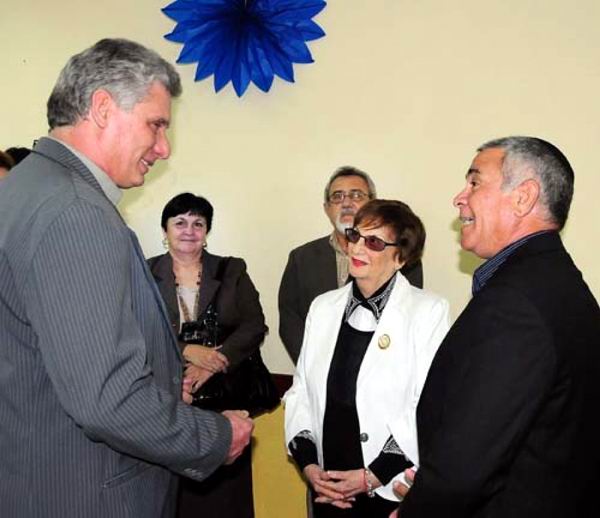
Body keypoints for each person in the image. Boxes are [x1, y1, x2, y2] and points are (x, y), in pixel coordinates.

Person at [0, 38, 253, 518]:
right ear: (102, 108)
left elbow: (52, 356)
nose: (164, 148)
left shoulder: (26, 189)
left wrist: (162, 379)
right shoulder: (75, 212)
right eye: (155, 125)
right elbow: (105, 399)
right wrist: (215, 437)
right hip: (87, 493)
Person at [396, 137, 600, 518]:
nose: (460, 197)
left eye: (474, 182)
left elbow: (466, 465)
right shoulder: (559, 284)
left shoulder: (516, 306)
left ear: (523, 198)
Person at [284, 199, 450, 517]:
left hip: (389, 487)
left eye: (374, 242)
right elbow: (301, 390)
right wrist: (309, 466)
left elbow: (428, 404)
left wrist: (372, 476)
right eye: (354, 236)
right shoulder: (322, 307)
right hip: (328, 486)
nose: (357, 248)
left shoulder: (427, 311)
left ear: (400, 257)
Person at [148, 192, 267, 518]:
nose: (189, 230)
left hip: (225, 396)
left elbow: (254, 325)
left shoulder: (232, 270)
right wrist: (186, 351)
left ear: (207, 231)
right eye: (180, 222)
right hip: (171, 399)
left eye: (198, 223)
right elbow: (136, 329)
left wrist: (216, 362)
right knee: (176, 495)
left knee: (226, 495)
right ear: (165, 230)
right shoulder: (145, 273)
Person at [279, 166, 424, 364]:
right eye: (337, 197)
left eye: (356, 195)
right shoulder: (301, 258)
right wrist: (313, 363)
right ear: (326, 208)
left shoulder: (398, 254)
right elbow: (290, 321)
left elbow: (408, 316)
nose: (346, 203)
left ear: (372, 203)